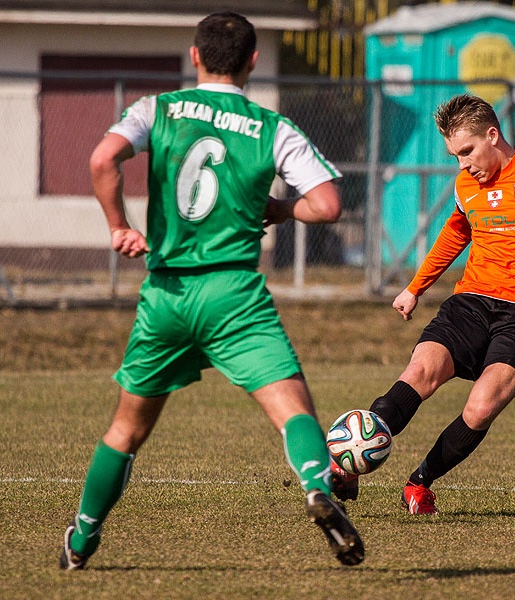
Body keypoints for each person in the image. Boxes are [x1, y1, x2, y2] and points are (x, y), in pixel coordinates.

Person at [59, 11, 364, 569]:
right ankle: (318, 487)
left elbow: (103, 158)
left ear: (194, 57)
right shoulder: (273, 127)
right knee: (293, 410)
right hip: (234, 295)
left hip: (168, 293)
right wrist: (279, 207)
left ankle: (80, 540)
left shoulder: (160, 109)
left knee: (127, 429)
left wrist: (119, 227)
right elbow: (326, 205)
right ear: (251, 61)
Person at [332, 94, 515, 514]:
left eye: (467, 151)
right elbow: (455, 235)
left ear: (493, 135)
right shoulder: (465, 185)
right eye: (455, 155)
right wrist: (415, 288)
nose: (462, 164)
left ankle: (419, 483)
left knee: (482, 405)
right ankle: (347, 462)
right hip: (471, 301)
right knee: (419, 372)